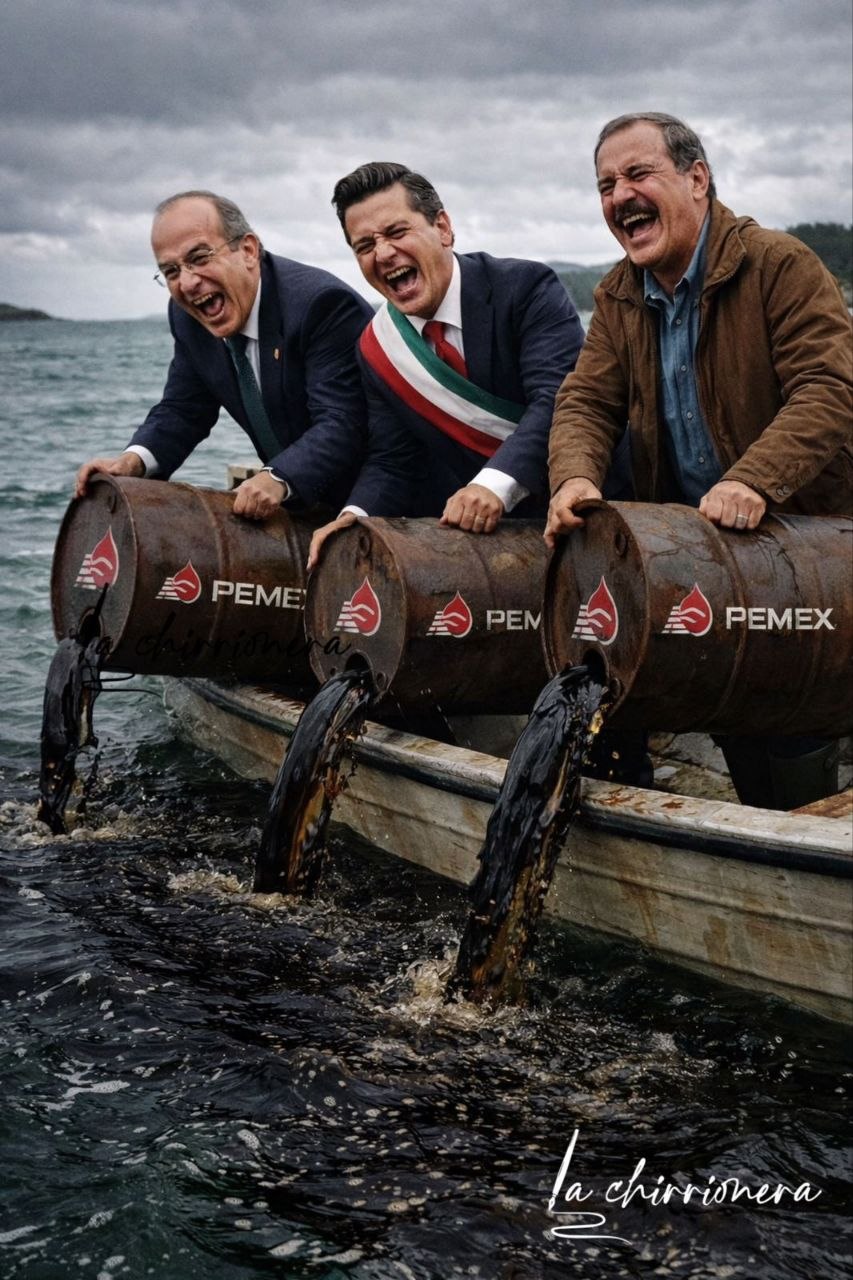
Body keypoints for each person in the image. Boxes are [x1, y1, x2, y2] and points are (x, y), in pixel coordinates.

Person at [546, 111, 853, 808]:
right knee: (730, 700)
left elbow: (828, 388)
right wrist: (574, 478)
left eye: (637, 173)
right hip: (704, 550)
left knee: (798, 714)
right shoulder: (617, 293)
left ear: (696, 179)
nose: (619, 195)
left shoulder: (779, 264)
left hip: (805, 539)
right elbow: (585, 401)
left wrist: (753, 479)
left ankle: (804, 851)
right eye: (605, 185)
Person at [307, 161, 604, 567]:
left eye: (397, 232)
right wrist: (354, 518)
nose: (384, 253)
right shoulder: (376, 347)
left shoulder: (526, 288)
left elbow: (558, 400)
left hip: (586, 515)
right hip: (490, 548)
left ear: (443, 228)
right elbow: (393, 460)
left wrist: (492, 486)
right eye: (364, 246)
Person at [76, 191, 373, 518]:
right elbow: (184, 409)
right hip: (301, 505)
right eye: (171, 271)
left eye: (200, 258)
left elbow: (342, 421)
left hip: (379, 504)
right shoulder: (187, 317)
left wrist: (277, 478)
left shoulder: (321, 304)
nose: (187, 283)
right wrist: (132, 461)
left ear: (248, 250)